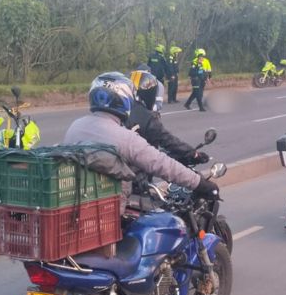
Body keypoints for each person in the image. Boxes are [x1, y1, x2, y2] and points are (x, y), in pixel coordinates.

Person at [63, 72, 218, 210]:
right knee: (167, 224)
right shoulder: (123, 137)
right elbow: (162, 164)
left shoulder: (76, 126)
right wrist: (200, 183)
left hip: (82, 203)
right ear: (124, 101)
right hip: (113, 209)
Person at [127, 70, 208, 166]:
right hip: (133, 171)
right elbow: (167, 140)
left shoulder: (117, 110)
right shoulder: (146, 117)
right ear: (149, 93)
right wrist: (193, 153)